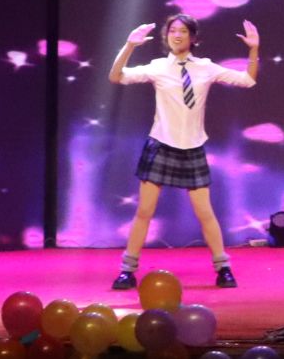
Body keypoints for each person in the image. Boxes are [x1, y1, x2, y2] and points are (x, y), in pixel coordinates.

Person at [108, 14, 258, 291]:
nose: (176, 35)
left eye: (183, 31)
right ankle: (127, 271)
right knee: (144, 211)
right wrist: (129, 46)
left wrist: (253, 49)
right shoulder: (158, 67)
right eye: (172, 31)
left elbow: (248, 80)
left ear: (193, 37)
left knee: (205, 212)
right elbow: (116, 76)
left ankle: (223, 268)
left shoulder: (205, 67)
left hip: (192, 148)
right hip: (161, 145)